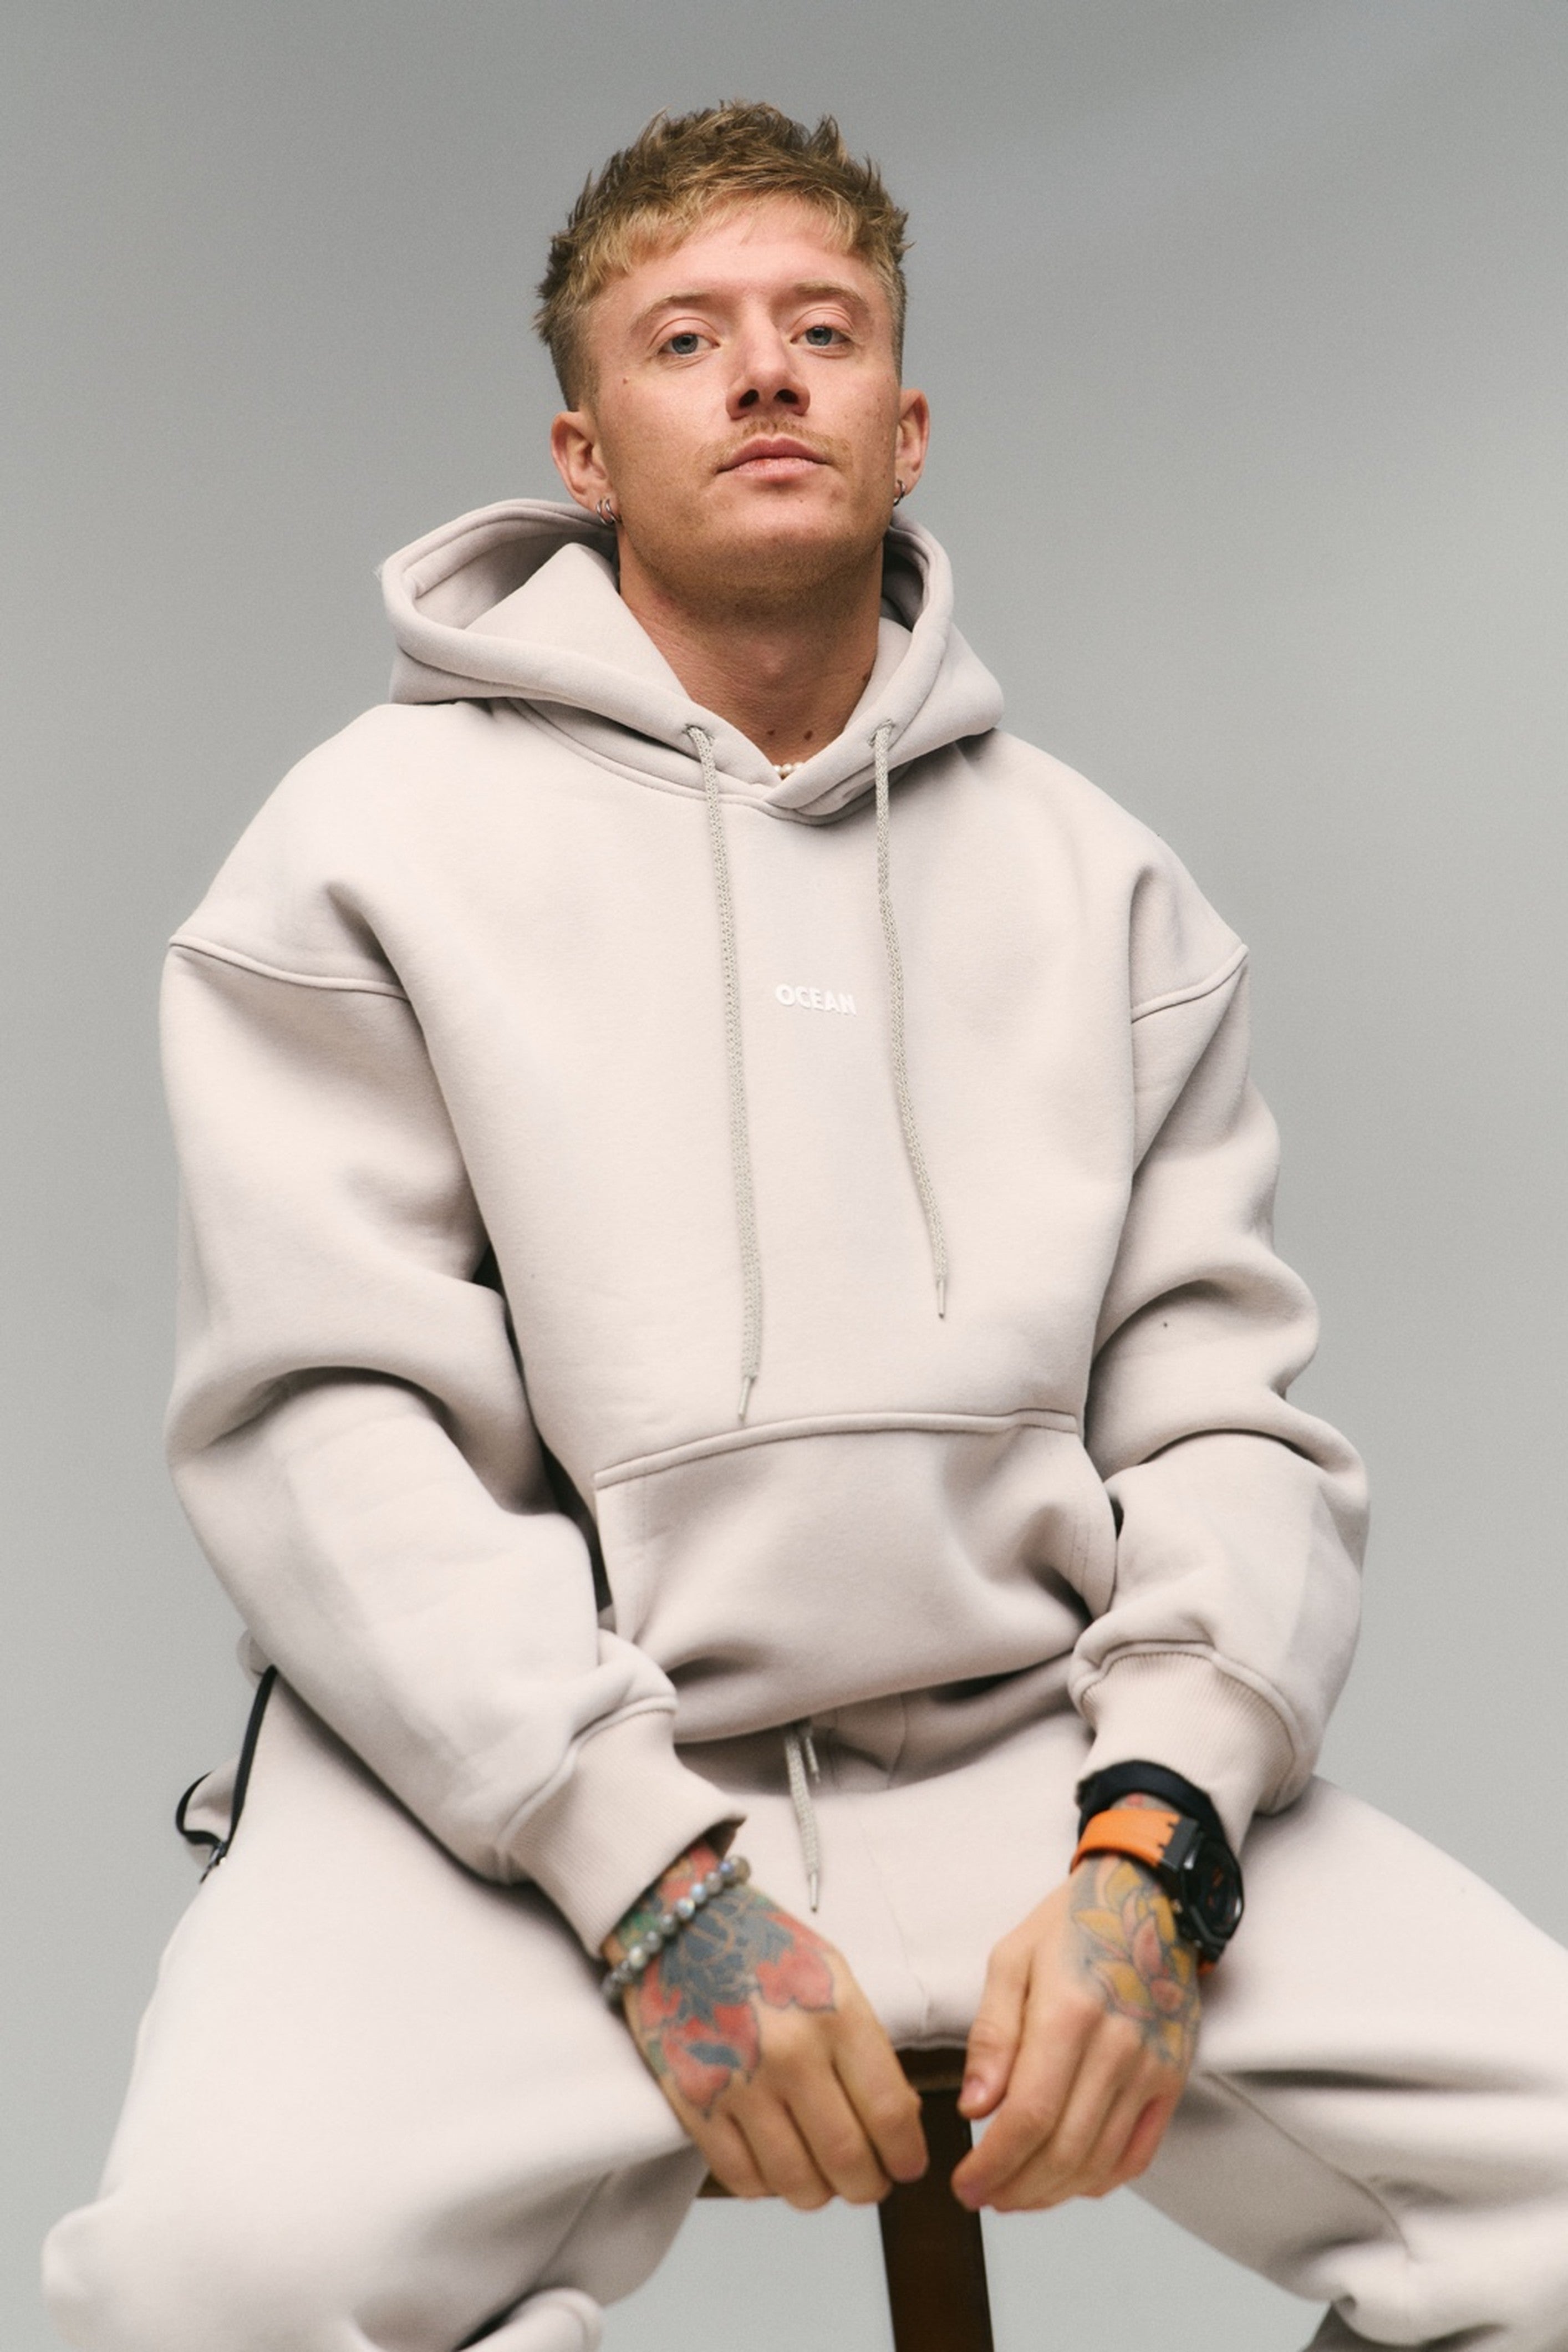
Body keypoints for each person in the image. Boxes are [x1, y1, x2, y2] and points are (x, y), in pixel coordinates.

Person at [43, 101, 1568, 2352]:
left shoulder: (1103, 888)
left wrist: (1159, 1836)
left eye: (821, 329)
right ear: (585, 449)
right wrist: (641, 1875)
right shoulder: (355, 854)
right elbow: (327, 1433)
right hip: (532, 1806)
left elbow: (1226, 1435)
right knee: (203, 2292)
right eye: (687, 337)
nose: (763, 371)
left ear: (903, 423)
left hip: (1039, 1763)